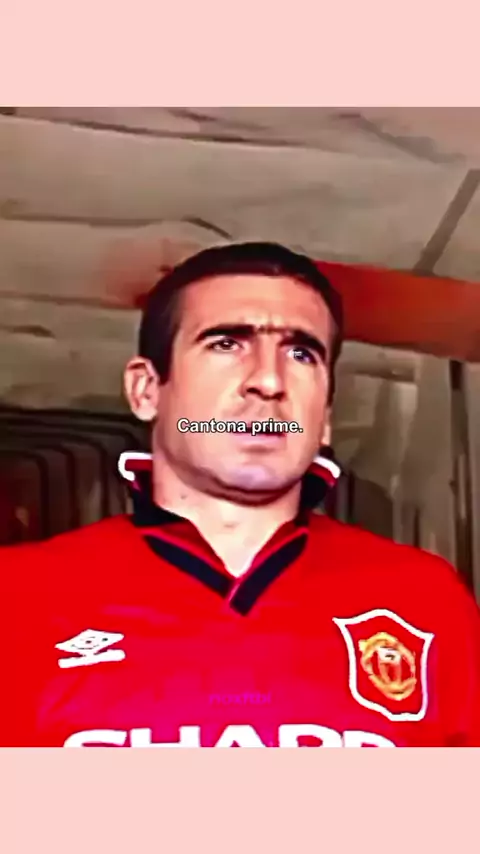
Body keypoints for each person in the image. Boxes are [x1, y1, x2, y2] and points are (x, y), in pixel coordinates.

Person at [2, 241, 479, 748]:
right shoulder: (18, 596)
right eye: (226, 344)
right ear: (146, 390)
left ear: (325, 417)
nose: (269, 381)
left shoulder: (426, 600)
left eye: (301, 354)